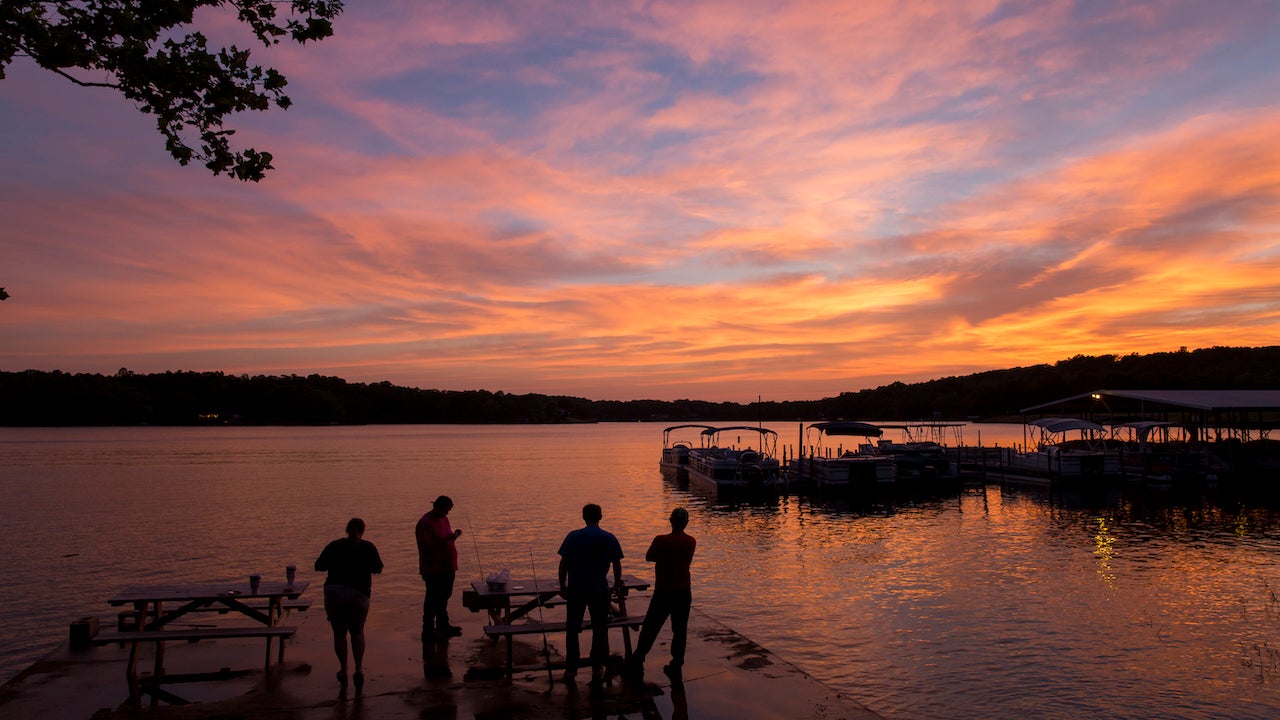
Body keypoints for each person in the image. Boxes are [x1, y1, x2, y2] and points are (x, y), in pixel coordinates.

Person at [315, 517, 384, 697]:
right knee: (357, 631)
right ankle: (359, 669)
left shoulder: (334, 545)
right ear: (363, 530)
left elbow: (318, 566)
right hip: (359, 594)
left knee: (339, 633)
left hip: (334, 592)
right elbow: (378, 568)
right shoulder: (368, 547)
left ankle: (343, 669)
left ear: (347, 530)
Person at [557, 503, 624, 685]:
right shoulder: (608, 538)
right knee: (599, 629)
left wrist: (562, 585)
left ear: (583, 517)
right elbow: (617, 564)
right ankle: (596, 666)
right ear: (600, 517)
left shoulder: (573, 537)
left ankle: (571, 668)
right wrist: (616, 584)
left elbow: (563, 564)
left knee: (572, 629)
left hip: (576, 590)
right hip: (600, 590)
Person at [629, 507, 696, 680]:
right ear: (686, 523)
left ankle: (639, 657)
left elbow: (649, 557)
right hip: (683, 591)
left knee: (651, 626)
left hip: (663, 591)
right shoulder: (691, 541)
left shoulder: (661, 540)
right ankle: (677, 662)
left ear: (671, 521)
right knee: (680, 629)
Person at [416, 495, 463, 640]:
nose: (447, 513)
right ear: (437, 507)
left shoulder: (444, 519)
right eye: (446, 510)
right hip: (433, 568)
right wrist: (446, 539)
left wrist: (454, 536)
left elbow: (446, 538)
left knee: (444, 596)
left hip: (448, 565)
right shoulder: (425, 523)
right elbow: (427, 546)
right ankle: (428, 630)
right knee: (432, 598)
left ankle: (443, 625)